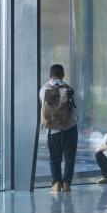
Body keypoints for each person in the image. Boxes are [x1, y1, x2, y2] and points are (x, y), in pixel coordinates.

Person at [39, 64, 78, 194]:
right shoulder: (69, 88)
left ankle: (56, 183)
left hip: (52, 129)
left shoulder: (44, 89)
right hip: (70, 127)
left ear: (50, 75)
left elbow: (43, 106)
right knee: (69, 157)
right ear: (63, 75)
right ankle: (66, 184)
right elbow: (74, 107)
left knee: (54, 157)